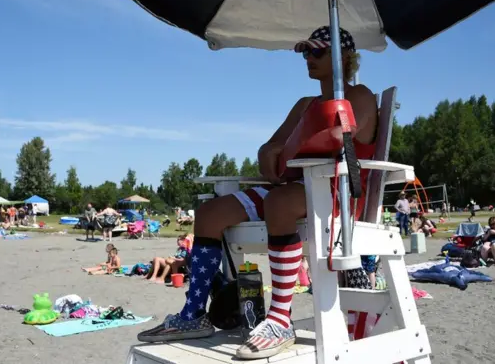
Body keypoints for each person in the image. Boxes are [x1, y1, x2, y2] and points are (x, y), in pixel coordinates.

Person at [137, 26, 377, 359]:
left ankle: (280, 319)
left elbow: (346, 137)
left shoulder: (360, 95)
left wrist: (301, 145)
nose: (308, 58)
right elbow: (271, 146)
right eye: (306, 52)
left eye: (317, 52)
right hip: (293, 187)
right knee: (209, 214)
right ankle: (193, 315)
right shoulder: (306, 104)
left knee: (278, 202)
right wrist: (270, 154)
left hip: (335, 191)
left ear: (344, 57)